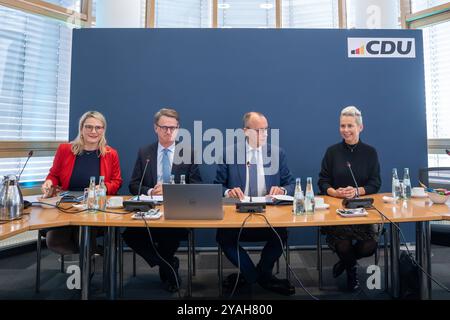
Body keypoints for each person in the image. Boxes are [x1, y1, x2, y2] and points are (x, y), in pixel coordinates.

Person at [214, 111, 296, 296]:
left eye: (266, 130)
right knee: (223, 238)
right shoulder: (229, 153)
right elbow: (217, 187)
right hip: (237, 218)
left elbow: (291, 184)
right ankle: (256, 276)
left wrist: (282, 191)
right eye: (259, 130)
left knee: (280, 236)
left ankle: (257, 273)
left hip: (268, 217)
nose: (264, 134)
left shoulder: (277, 153)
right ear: (245, 131)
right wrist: (228, 192)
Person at [123, 108, 202, 293]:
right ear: (155, 128)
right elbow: (133, 185)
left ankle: (168, 272)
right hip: (150, 209)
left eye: (173, 128)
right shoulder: (145, 153)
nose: (169, 131)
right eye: (164, 127)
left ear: (178, 129)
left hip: (177, 211)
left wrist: (172, 191)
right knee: (130, 236)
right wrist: (150, 191)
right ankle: (169, 265)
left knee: (169, 234)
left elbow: (197, 186)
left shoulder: (188, 153)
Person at [318, 106, 381, 291]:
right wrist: (335, 192)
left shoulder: (370, 152)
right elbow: (322, 181)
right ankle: (351, 270)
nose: (345, 130)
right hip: (338, 212)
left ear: (360, 127)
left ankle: (344, 263)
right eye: (342, 126)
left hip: (362, 211)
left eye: (350, 126)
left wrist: (357, 191)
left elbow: (375, 183)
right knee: (343, 244)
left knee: (369, 246)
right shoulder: (332, 152)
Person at [41, 111, 123, 255]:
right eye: (89, 127)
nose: (93, 131)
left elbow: (117, 182)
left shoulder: (110, 154)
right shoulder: (65, 150)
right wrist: (49, 182)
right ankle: (89, 254)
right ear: (81, 129)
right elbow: (54, 175)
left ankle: (87, 261)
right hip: (66, 206)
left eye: (98, 127)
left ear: (103, 130)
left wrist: (104, 187)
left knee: (83, 235)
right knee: (53, 241)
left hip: (95, 207)